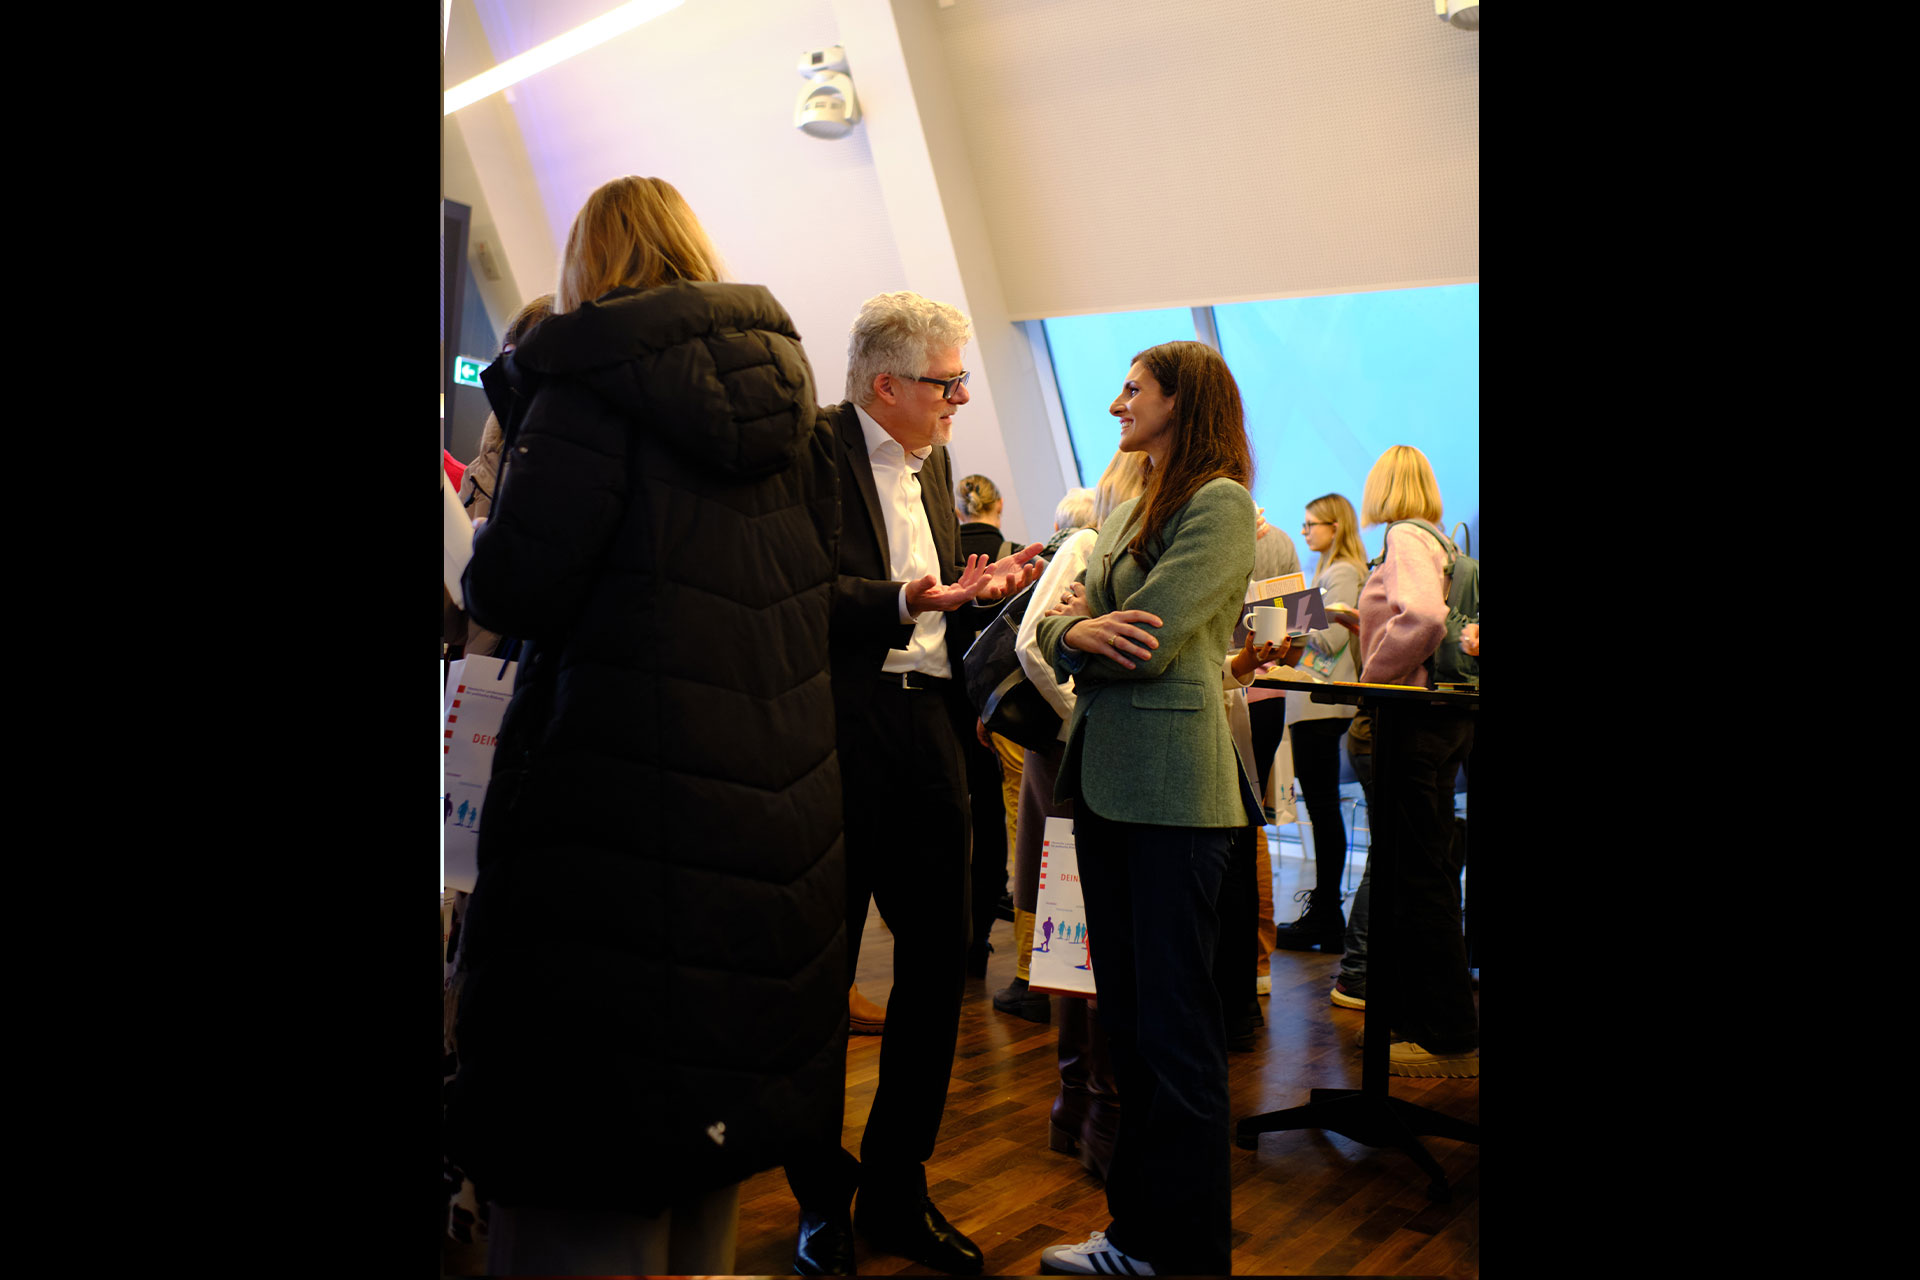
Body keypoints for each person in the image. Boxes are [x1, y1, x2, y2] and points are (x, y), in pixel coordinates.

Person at [443, 175, 845, 1277]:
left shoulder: (586, 393)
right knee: (698, 1161)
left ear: (590, 265)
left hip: (611, 805)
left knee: (582, 1164)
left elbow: (512, 587)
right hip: (759, 813)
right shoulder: (788, 410)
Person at [786, 291, 1043, 1278]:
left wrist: (980, 596)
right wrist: (903, 597)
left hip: (929, 729)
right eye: (947, 382)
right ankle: (819, 1194)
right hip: (835, 733)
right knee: (823, 978)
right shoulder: (810, 453)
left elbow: (933, 614)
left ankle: (898, 1183)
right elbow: (791, 593)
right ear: (884, 383)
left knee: (941, 968)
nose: (962, 399)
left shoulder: (934, 472)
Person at [1034, 340, 1262, 1277]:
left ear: (1183, 399)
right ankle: (1136, 1238)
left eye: (1135, 388)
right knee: (1127, 1026)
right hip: (1108, 786)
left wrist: (1078, 629)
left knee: (1175, 1036)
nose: (1117, 400)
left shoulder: (1221, 503)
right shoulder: (1129, 505)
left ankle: (1190, 1253)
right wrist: (1075, 624)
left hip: (1174, 794)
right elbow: (1054, 618)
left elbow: (1152, 641)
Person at [1344, 444, 1477, 1078]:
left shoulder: (1402, 537)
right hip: (1446, 717)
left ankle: (1446, 1033)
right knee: (1422, 866)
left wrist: (1373, 674)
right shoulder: (1444, 543)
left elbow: (1422, 616)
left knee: (1417, 877)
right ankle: (1419, 1018)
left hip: (1408, 720)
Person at [1268, 493, 1370, 952]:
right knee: (1321, 808)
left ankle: (1327, 914)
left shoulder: (1343, 571)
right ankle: (1326, 912)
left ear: (1336, 526)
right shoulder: (1332, 572)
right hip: (1318, 704)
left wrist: (1284, 613)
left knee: (1324, 808)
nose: (1305, 532)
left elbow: (1331, 638)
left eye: (1312, 524)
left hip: (1323, 705)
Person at [454, 294, 555, 664]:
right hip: (476, 681)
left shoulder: (578, 465)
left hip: (535, 673)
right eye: (508, 359)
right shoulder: (481, 472)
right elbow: (453, 625)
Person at [954, 472, 1022, 979]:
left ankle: (949, 935)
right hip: (995, 708)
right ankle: (978, 938)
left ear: (959, 509)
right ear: (997, 505)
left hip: (942, 701)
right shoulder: (1017, 555)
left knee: (947, 822)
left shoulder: (941, 552)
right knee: (994, 817)